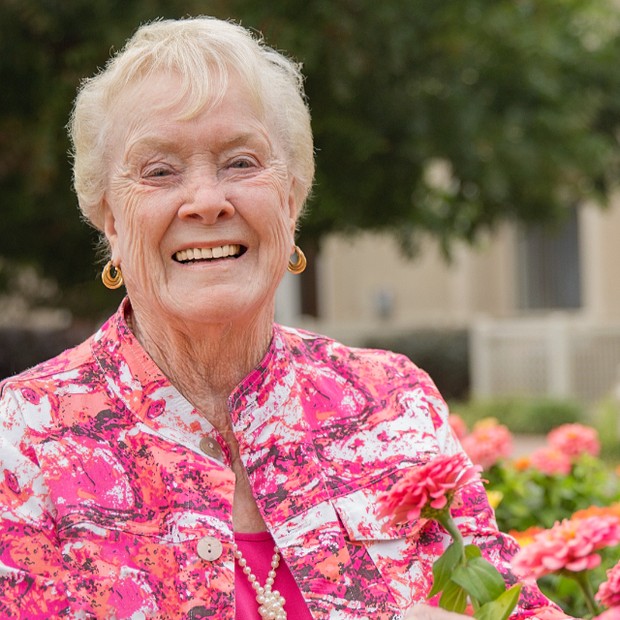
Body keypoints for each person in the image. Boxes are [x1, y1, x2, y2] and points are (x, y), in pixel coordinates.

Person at [0, 16, 576, 620]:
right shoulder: (28, 437)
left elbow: (507, 605)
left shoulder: (391, 402)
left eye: (241, 163)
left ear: (292, 198)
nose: (205, 201)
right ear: (110, 221)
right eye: (160, 172)